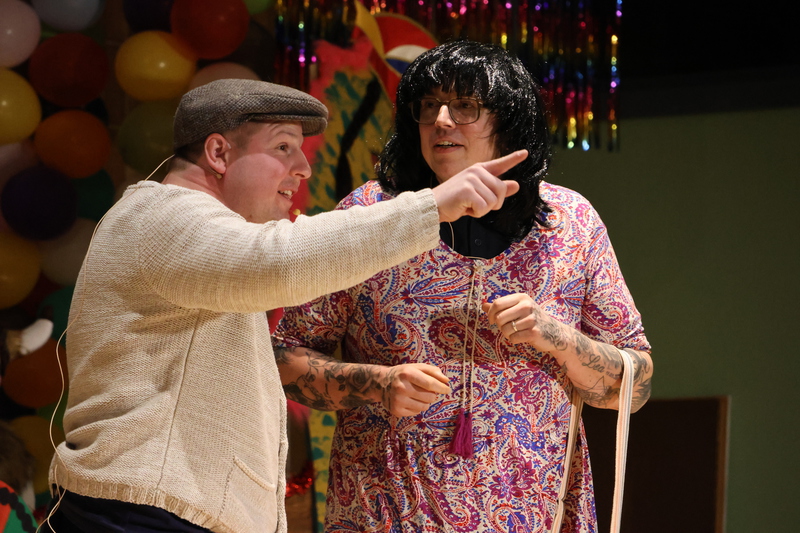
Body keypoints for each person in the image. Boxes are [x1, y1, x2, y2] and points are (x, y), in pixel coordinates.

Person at [44, 78, 525, 533]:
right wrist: (431, 206)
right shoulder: (165, 216)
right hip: (142, 517)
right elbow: (282, 257)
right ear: (218, 152)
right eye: (282, 147)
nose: (303, 167)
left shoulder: (196, 233)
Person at [273, 40, 654, 532]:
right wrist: (376, 385)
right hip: (386, 514)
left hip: (533, 517)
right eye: (428, 105)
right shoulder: (371, 215)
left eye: (465, 106)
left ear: (508, 120)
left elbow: (634, 385)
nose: (441, 120)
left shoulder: (570, 223)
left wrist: (557, 337)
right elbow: (282, 360)